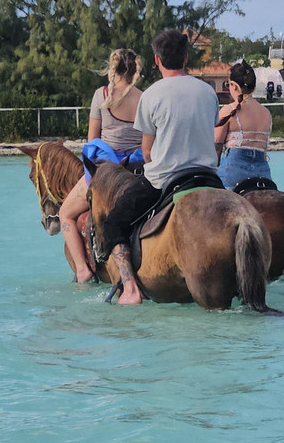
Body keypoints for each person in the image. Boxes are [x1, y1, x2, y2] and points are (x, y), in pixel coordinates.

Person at [100, 29, 220, 304]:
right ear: (186, 58)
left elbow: (147, 151)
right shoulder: (208, 91)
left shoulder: (151, 95)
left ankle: (129, 288)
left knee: (114, 222)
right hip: (209, 178)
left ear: (156, 59)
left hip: (164, 180)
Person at [58, 48, 144, 285]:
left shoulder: (101, 95)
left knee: (65, 213)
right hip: (136, 171)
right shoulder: (144, 98)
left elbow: (92, 140)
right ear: (135, 69)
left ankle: (84, 270)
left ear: (112, 68)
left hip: (107, 173)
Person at [215, 61, 273, 189]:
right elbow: (264, 151)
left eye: (228, 84)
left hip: (234, 170)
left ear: (234, 86)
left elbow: (216, 147)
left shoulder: (228, 110)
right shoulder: (266, 113)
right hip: (262, 173)